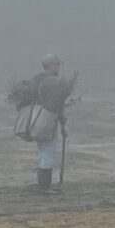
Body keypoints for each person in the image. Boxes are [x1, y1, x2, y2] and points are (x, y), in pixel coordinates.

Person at [32, 54, 73, 191]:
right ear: (49, 66)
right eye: (57, 65)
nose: (59, 67)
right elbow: (58, 103)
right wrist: (63, 123)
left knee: (43, 151)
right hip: (48, 121)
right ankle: (45, 187)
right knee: (48, 152)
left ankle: (43, 185)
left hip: (36, 120)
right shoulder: (52, 82)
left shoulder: (37, 80)